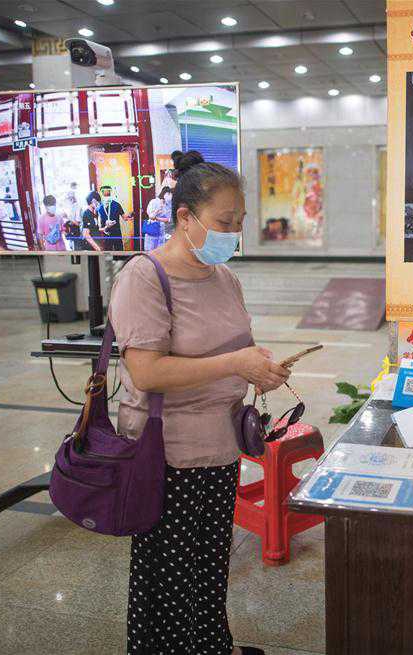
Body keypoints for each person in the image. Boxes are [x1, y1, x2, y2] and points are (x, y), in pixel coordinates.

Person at [110, 149, 288, 655]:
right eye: (224, 222)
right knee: (167, 577)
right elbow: (146, 370)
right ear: (184, 217)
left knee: (209, 564)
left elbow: (232, 352)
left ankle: (212, 644)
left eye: (240, 222)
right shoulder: (145, 277)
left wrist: (259, 370)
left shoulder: (224, 278)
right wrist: (235, 365)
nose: (234, 232)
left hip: (221, 446)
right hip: (167, 454)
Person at [96, 184, 132, 251]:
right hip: (106, 233)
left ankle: (117, 261)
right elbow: (125, 218)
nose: (106, 193)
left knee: (115, 251)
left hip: (114, 233)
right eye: (105, 191)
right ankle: (116, 261)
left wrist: (130, 216)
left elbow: (125, 217)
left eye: (107, 191)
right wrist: (128, 217)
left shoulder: (115, 204)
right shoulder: (99, 207)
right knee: (111, 251)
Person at [143, 186, 172, 251]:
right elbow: (151, 216)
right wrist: (159, 208)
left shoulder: (168, 204)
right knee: (150, 249)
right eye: (169, 194)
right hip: (153, 228)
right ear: (164, 194)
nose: (170, 197)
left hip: (163, 230)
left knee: (160, 249)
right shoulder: (154, 202)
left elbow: (168, 219)